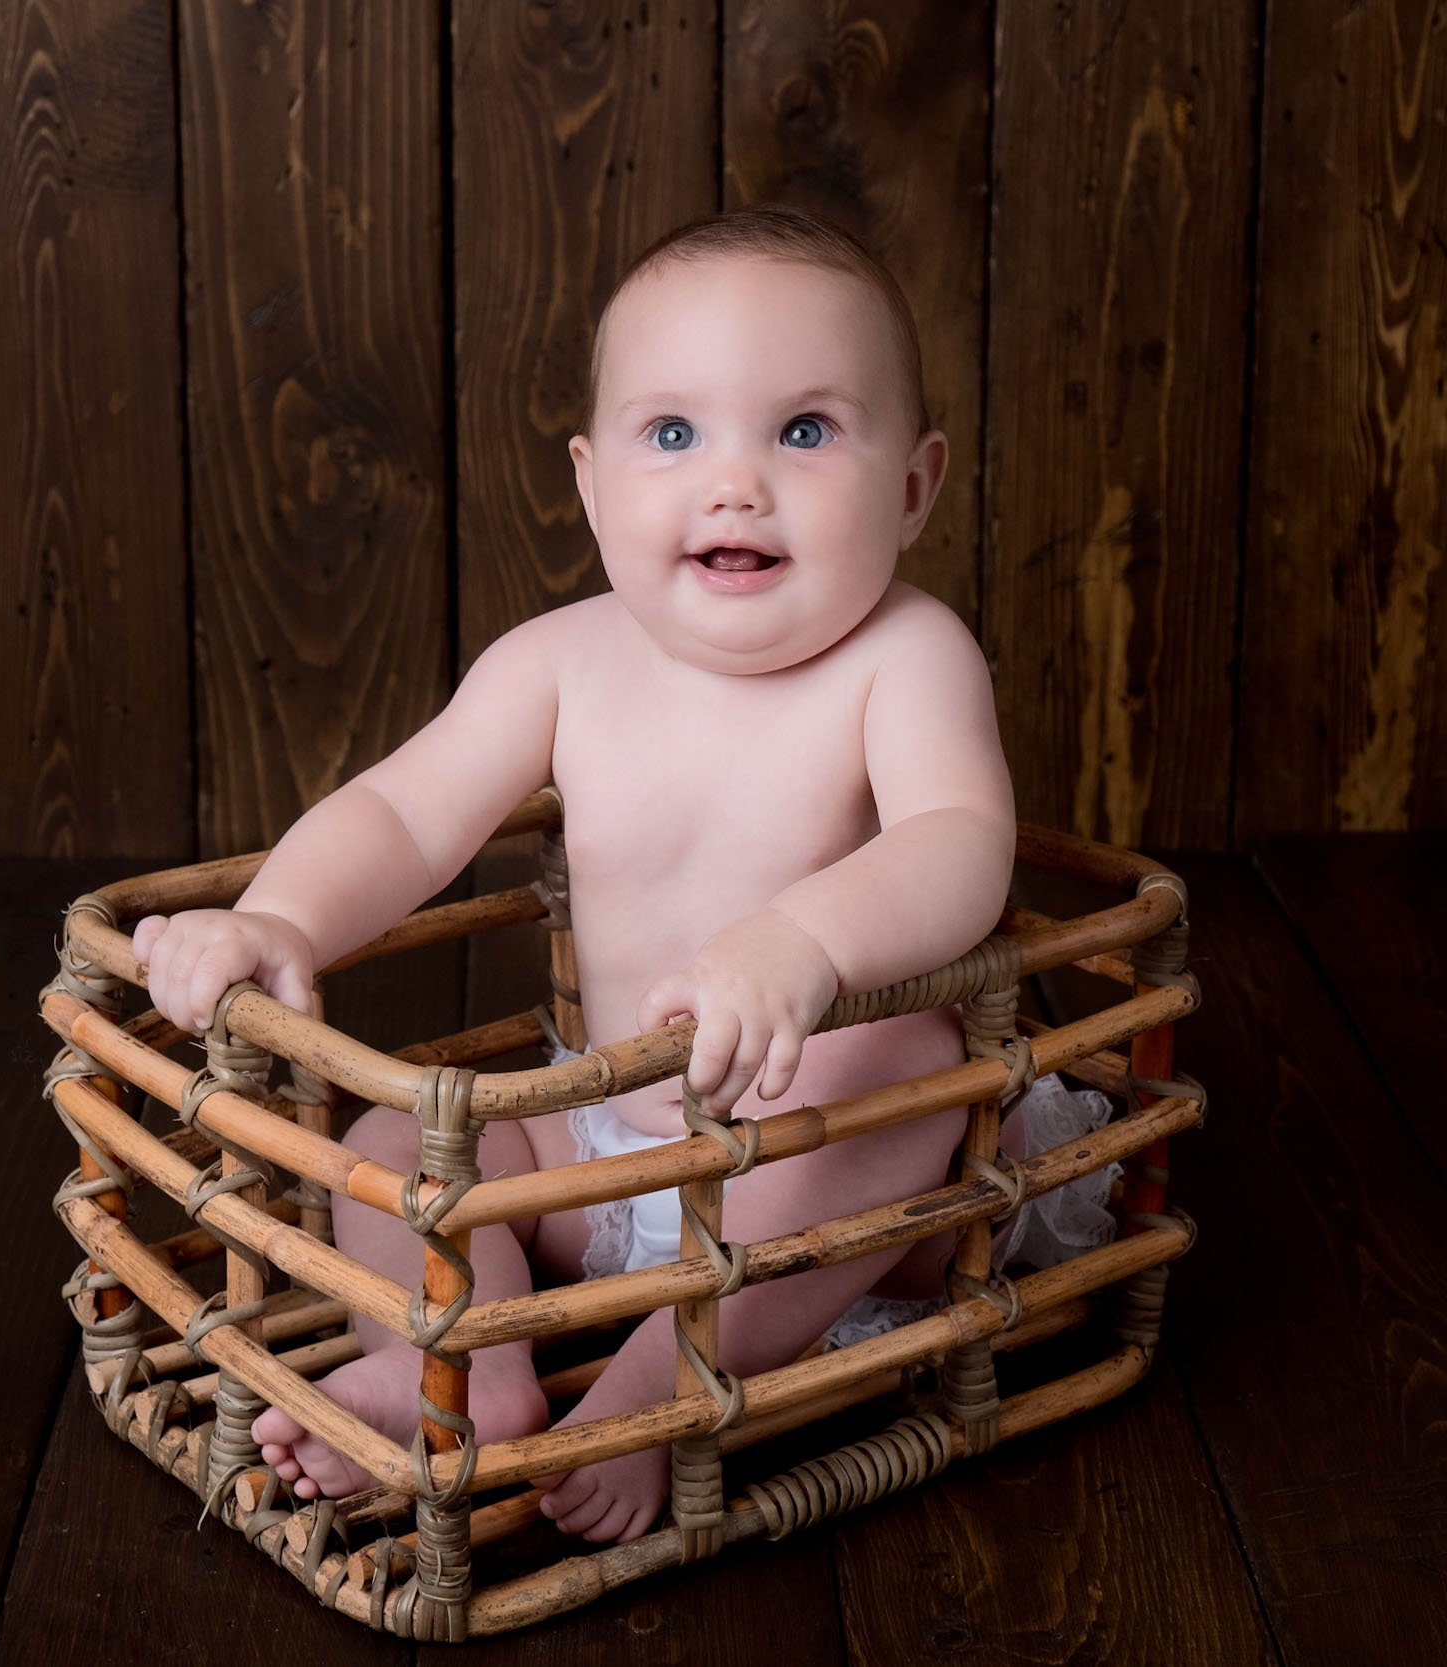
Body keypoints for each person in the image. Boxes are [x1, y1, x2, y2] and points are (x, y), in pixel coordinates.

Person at [131, 205, 1107, 1545]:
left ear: (915, 487)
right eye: (674, 434)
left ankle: (661, 1387)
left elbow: (959, 845)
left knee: (895, 1072)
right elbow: (406, 814)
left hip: (817, 1187)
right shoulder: (561, 663)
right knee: (385, 1148)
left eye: (806, 430)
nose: (735, 484)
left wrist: (803, 943)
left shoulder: (910, 655)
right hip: (599, 1166)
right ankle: (476, 1370)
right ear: (591, 485)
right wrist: (279, 914)